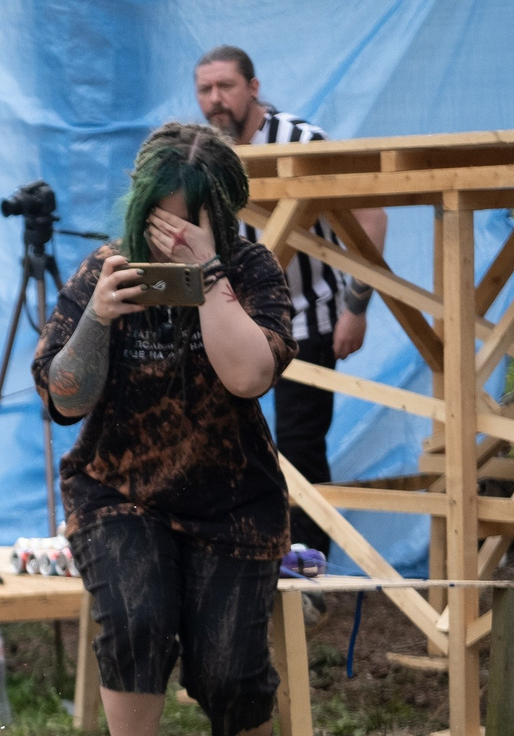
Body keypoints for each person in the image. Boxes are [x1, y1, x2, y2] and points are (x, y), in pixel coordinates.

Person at [30, 123, 293, 736]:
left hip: (232, 493)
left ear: (223, 210)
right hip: (119, 486)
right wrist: (98, 317)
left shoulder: (253, 271)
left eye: (194, 217)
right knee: (136, 613)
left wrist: (209, 277)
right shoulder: (106, 271)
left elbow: (249, 375)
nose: (175, 234)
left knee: (228, 664)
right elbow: (63, 399)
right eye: (164, 216)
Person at [195, 45, 388, 560]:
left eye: (226, 87)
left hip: (308, 319)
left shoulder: (302, 140)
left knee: (299, 450)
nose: (215, 100)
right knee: (219, 437)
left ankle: (308, 570)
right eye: (205, 90)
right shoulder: (202, 154)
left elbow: (371, 213)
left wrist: (357, 303)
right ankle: (235, 554)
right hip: (231, 324)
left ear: (253, 88)